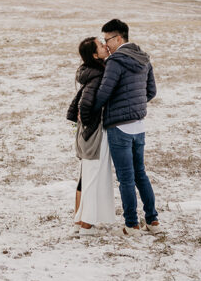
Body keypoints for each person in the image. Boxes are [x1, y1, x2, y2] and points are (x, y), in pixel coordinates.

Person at [91, 18, 159, 237]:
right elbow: (151, 91)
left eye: (107, 39)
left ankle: (132, 225)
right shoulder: (143, 58)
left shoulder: (115, 61)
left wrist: (91, 112)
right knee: (141, 174)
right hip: (138, 126)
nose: (105, 44)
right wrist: (134, 106)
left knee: (126, 178)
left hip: (119, 127)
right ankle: (153, 220)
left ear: (118, 38)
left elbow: (103, 93)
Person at [66, 36, 117, 236]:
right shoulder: (98, 75)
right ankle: (86, 223)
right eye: (100, 45)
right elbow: (85, 106)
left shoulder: (93, 72)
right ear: (95, 55)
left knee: (88, 175)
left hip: (89, 133)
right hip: (94, 134)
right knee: (92, 176)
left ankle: (81, 219)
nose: (105, 46)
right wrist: (90, 122)